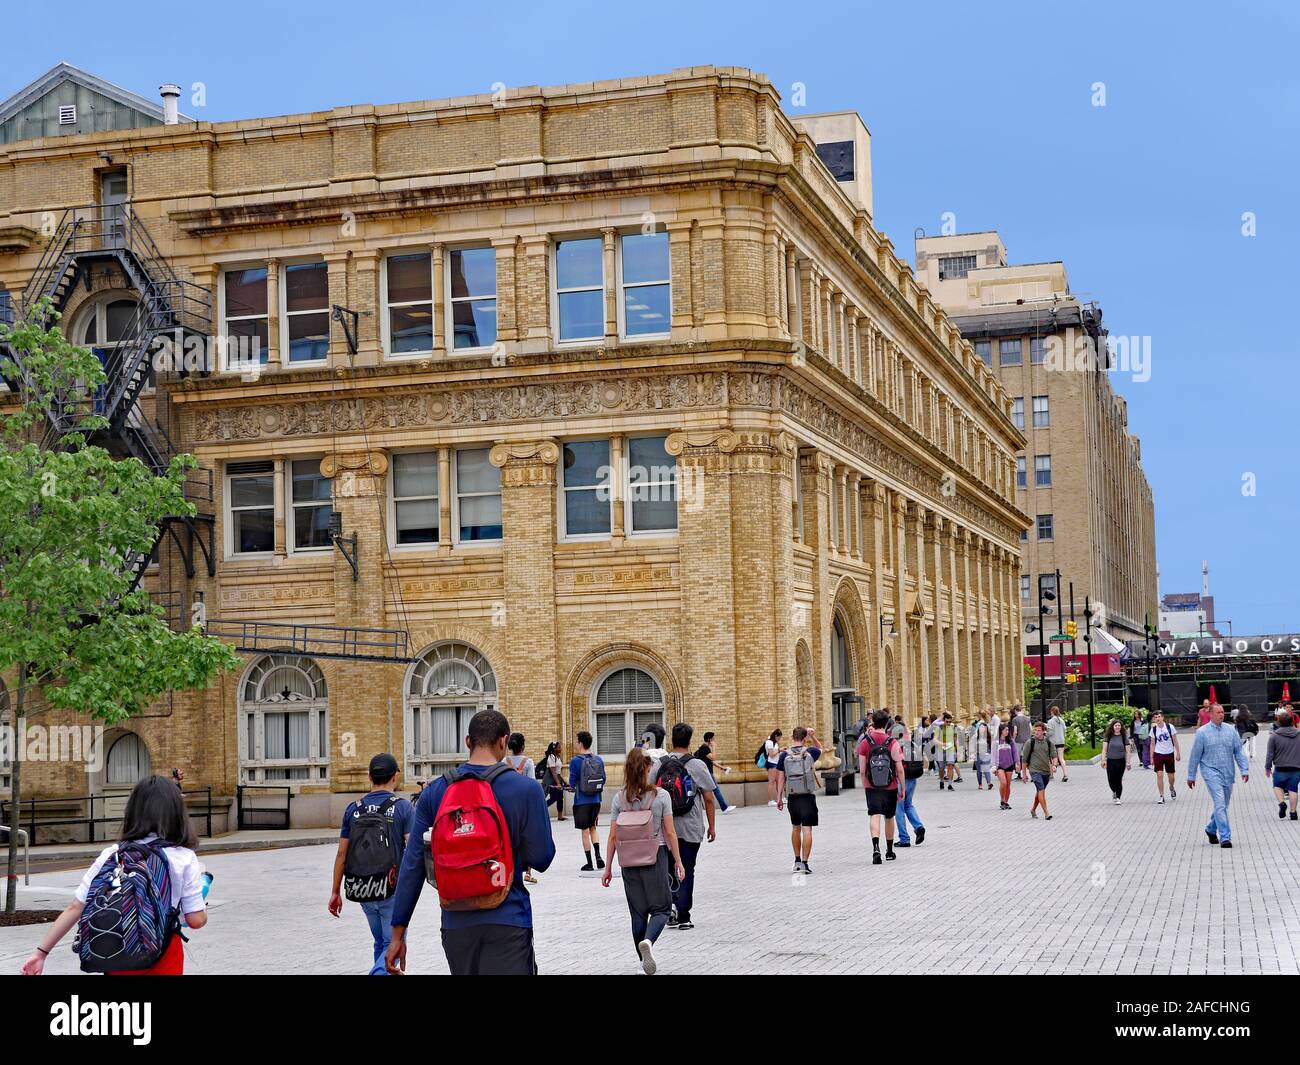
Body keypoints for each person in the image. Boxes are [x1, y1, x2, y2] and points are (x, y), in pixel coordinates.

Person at [387, 709, 556, 976]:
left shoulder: (435, 791)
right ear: (504, 741)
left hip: (456, 923)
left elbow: (412, 865)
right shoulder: (526, 789)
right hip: (508, 918)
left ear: (468, 742)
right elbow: (543, 858)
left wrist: (398, 933)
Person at [21, 775, 208, 975]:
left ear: (134, 812)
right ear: (177, 813)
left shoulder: (113, 853)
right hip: (164, 952)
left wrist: (41, 953)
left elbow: (75, 907)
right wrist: (202, 907)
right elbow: (195, 920)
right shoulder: (184, 857)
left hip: (118, 949)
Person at [602, 746, 686, 975]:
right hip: (654, 858)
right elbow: (670, 833)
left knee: (638, 914)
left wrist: (608, 867)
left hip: (628, 862)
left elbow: (612, 836)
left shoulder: (619, 798)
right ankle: (648, 941)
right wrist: (678, 861)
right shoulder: (661, 796)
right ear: (647, 769)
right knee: (661, 909)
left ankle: (642, 962)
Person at [329, 753, 415, 974]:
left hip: (362, 888)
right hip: (391, 889)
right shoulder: (403, 808)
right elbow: (412, 850)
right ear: (395, 777)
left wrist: (335, 891)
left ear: (369, 777)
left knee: (380, 942)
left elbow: (341, 854)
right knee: (392, 945)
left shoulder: (353, 809)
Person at [652, 723, 717, 930]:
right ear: (690, 741)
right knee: (687, 869)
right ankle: (684, 915)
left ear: (672, 739)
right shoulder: (697, 765)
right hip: (690, 827)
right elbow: (708, 798)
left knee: (669, 868)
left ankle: (670, 908)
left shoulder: (660, 764)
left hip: (665, 828)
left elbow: (649, 792)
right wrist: (711, 826)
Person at [1186, 702, 1250, 849]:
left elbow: (1238, 751)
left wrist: (1244, 770)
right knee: (1220, 804)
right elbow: (1195, 755)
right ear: (1211, 714)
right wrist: (1191, 775)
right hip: (1210, 772)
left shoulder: (1231, 730)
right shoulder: (1202, 732)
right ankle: (1225, 837)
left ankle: (1210, 829)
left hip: (1228, 772)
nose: (1221, 714)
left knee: (1223, 805)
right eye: (1218, 712)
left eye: (1222, 712)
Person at [859, 709, 906, 864]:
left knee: (874, 815)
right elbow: (899, 769)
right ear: (887, 724)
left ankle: (875, 848)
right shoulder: (892, 742)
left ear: (873, 722)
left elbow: (862, 769)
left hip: (872, 786)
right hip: (890, 786)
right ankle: (890, 850)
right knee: (889, 817)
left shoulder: (865, 742)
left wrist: (865, 783)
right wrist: (902, 787)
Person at [775, 726, 823, 873]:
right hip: (807, 795)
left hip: (793, 796)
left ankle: (796, 860)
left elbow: (780, 778)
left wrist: (779, 798)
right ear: (804, 738)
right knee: (807, 829)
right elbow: (820, 749)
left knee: (796, 827)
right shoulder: (809, 752)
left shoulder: (785, 755)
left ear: (792, 737)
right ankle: (805, 863)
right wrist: (813, 736)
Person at [505, 734, 540, 882]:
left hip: (507, 805)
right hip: (524, 806)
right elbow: (532, 784)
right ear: (523, 746)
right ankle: (528, 872)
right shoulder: (528, 762)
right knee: (526, 838)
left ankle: (510, 871)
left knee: (509, 838)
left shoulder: (503, 761)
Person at [570, 730, 606, 872]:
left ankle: (589, 862)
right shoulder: (599, 759)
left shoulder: (575, 761)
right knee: (593, 828)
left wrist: (572, 787)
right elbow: (604, 779)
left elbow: (572, 782)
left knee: (585, 831)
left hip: (581, 801)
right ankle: (599, 856)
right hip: (596, 800)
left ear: (580, 743)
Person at [894, 720, 926, 847]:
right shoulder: (912, 744)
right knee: (908, 805)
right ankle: (918, 827)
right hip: (913, 778)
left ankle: (904, 838)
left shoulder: (896, 745)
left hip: (902, 779)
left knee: (899, 808)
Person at [1264, 709, 1300, 821]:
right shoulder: (1299, 734)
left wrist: (1268, 767)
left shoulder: (1274, 736)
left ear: (1279, 722)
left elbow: (1270, 753)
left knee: (1277, 786)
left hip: (1280, 767)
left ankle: (1282, 803)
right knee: (1293, 790)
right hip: (1296, 767)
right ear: (1291, 722)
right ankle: (1293, 813)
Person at [1019, 722, 1058, 820]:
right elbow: (1024, 760)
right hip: (1034, 771)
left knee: (1039, 791)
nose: (1036, 732)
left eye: (1039, 730)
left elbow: (1054, 756)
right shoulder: (1030, 742)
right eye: (1035, 730)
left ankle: (1033, 809)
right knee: (1041, 790)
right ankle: (1046, 813)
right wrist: (1024, 774)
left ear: (1044, 731)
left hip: (1046, 772)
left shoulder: (1049, 743)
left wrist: (1054, 765)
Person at [694, 731, 736, 814]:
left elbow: (711, 762)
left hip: (707, 773)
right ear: (709, 739)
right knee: (716, 790)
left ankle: (724, 807)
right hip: (707, 773)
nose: (714, 740)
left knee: (711, 790)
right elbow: (713, 758)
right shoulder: (705, 748)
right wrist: (714, 747)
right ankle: (724, 808)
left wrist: (722, 768)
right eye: (713, 738)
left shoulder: (704, 748)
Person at [1149, 710, 1181, 804]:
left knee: (1171, 776)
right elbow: (1152, 744)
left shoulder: (1170, 727)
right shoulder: (1153, 729)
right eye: (1155, 717)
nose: (1157, 718)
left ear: (1162, 717)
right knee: (1159, 774)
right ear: (1154, 719)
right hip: (1158, 753)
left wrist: (1178, 753)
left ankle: (1171, 787)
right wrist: (1151, 757)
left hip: (1169, 753)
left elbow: (1175, 741)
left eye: (1159, 716)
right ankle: (1161, 796)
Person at [1102, 719, 1131, 805]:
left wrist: (1128, 762)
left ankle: (1118, 797)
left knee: (1118, 779)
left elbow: (1128, 751)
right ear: (1113, 727)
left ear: (1121, 727)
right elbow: (1104, 750)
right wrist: (1103, 760)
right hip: (1110, 760)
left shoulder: (1124, 737)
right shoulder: (1108, 737)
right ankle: (1114, 791)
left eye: (1119, 726)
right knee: (1111, 779)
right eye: (1116, 726)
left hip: (1121, 761)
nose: (1117, 727)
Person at [540, 740, 567, 821]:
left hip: (557, 779)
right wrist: (558, 783)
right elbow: (553, 772)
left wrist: (564, 782)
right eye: (559, 747)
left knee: (560, 798)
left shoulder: (558, 757)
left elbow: (558, 773)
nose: (560, 748)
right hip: (552, 781)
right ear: (554, 748)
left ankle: (560, 816)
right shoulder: (551, 757)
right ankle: (540, 808)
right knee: (554, 797)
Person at [993, 723, 1018, 810]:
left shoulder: (1011, 741)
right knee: (1003, 783)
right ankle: (1002, 800)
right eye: (1005, 730)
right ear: (1001, 731)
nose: (1007, 731)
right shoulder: (996, 742)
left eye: (1008, 730)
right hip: (999, 765)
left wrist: (1017, 763)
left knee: (1008, 785)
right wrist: (993, 767)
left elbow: (1015, 753)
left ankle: (1006, 802)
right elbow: (993, 755)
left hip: (1009, 765)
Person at [970, 709, 993, 790]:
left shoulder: (982, 724)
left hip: (983, 750)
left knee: (984, 768)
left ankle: (988, 783)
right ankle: (981, 784)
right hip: (980, 750)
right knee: (980, 768)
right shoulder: (986, 724)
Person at [1046, 705, 1068, 781]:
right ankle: (1065, 774)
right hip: (1061, 741)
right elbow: (1065, 730)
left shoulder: (1050, 721)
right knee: (1061, 758)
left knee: (1052, 758)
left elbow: (1050, 732)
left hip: (1053, 742)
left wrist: (1046, 734)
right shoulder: (1062, 720)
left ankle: (1051, 774)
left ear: (1052, 712)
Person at [1011, 705, 1033, 781]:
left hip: (1018, 740)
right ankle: (1030, 774)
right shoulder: (1027, 718)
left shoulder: (1015, 719)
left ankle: (1019, 774)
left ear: (1015, 711)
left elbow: (1015, 731)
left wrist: (1013, 740)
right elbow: (1031, 729)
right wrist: (1029, 737)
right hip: (1027, 740)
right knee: (1026, 757)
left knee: (1018, 757)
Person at [763, 729, 784, 805]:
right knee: (771, 782)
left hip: (777, 763)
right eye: (778, 738)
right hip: (771, 763)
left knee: (779, 781)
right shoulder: (769, 742)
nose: (779, 739)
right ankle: (770, 800)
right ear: (775, 736)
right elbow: (771, 755)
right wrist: (779, 750)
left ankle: (780, 798)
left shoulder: (774, 742)